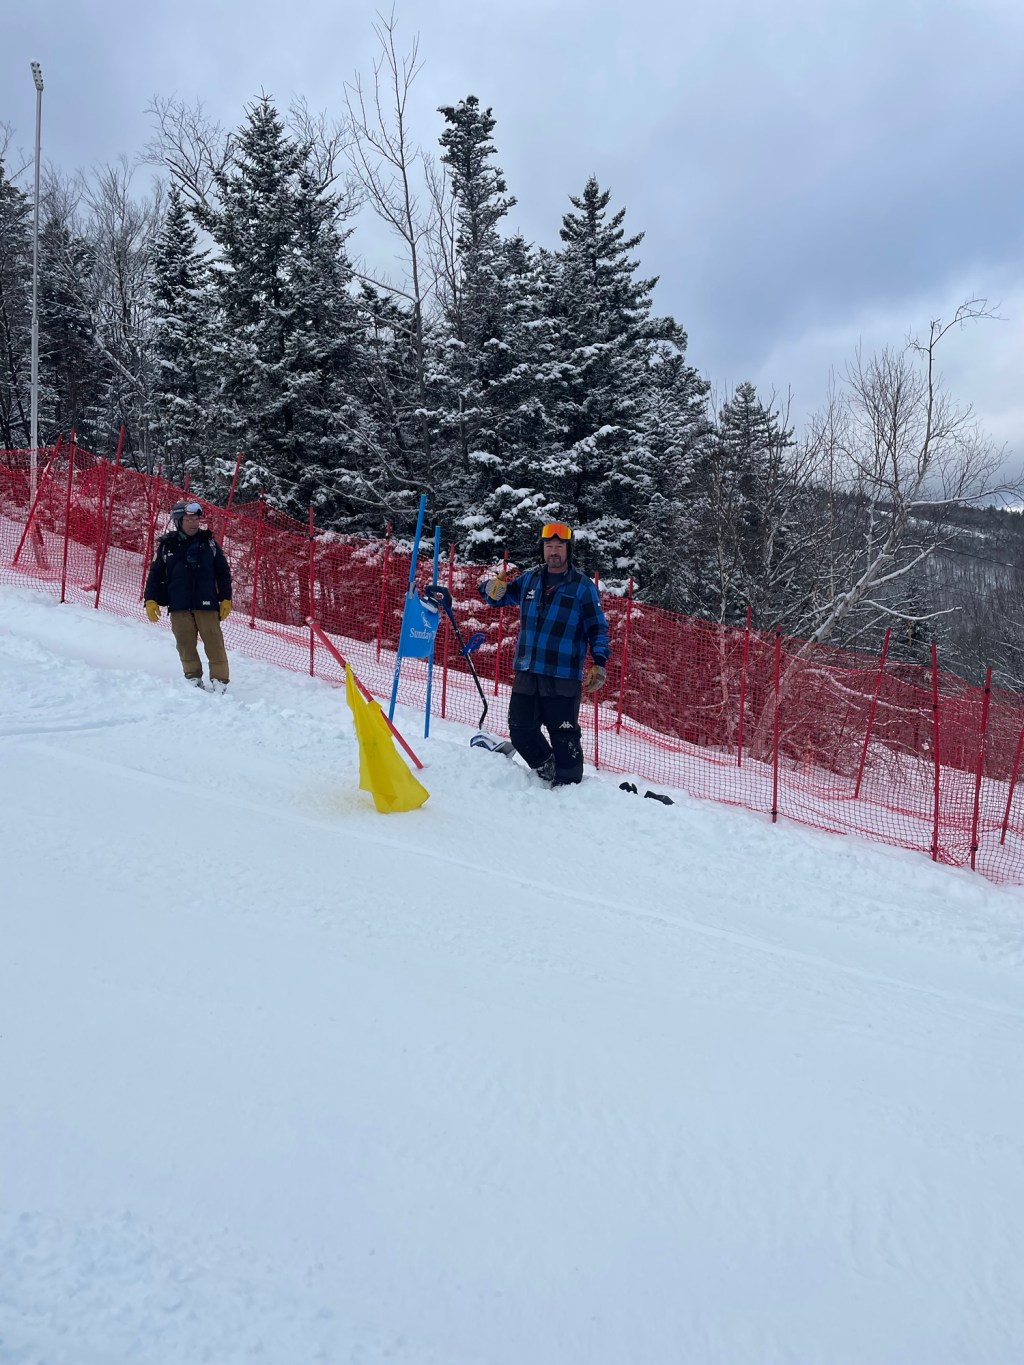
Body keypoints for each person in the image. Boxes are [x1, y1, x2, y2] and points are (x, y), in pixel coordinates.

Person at [478, 521, 609, 786]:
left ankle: (571, 788)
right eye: (549, 546)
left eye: (559, 546)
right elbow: (498, 596)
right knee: (520, 728)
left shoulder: (582, 587)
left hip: (562, 675)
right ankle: (547, 770)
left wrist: (599, 662)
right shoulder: (530, 579)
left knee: (564, 735)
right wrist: (490, 589)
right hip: (528, 670)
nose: (554, 551)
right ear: (543, 549)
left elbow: (597, 627)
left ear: (568, 550)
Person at [144, 500, 233, 691]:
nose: (194, 523)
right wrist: (150, 600)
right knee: (185, 645)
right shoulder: (167, 546)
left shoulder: (209, 544)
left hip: (207, 604)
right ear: (178, 521)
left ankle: (220, 680)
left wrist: (226, 598)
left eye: (196, 519)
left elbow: (223, 572)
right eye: (189, 519)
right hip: (179, 605)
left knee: (214, 644)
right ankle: (193, 677)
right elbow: (155, 574)